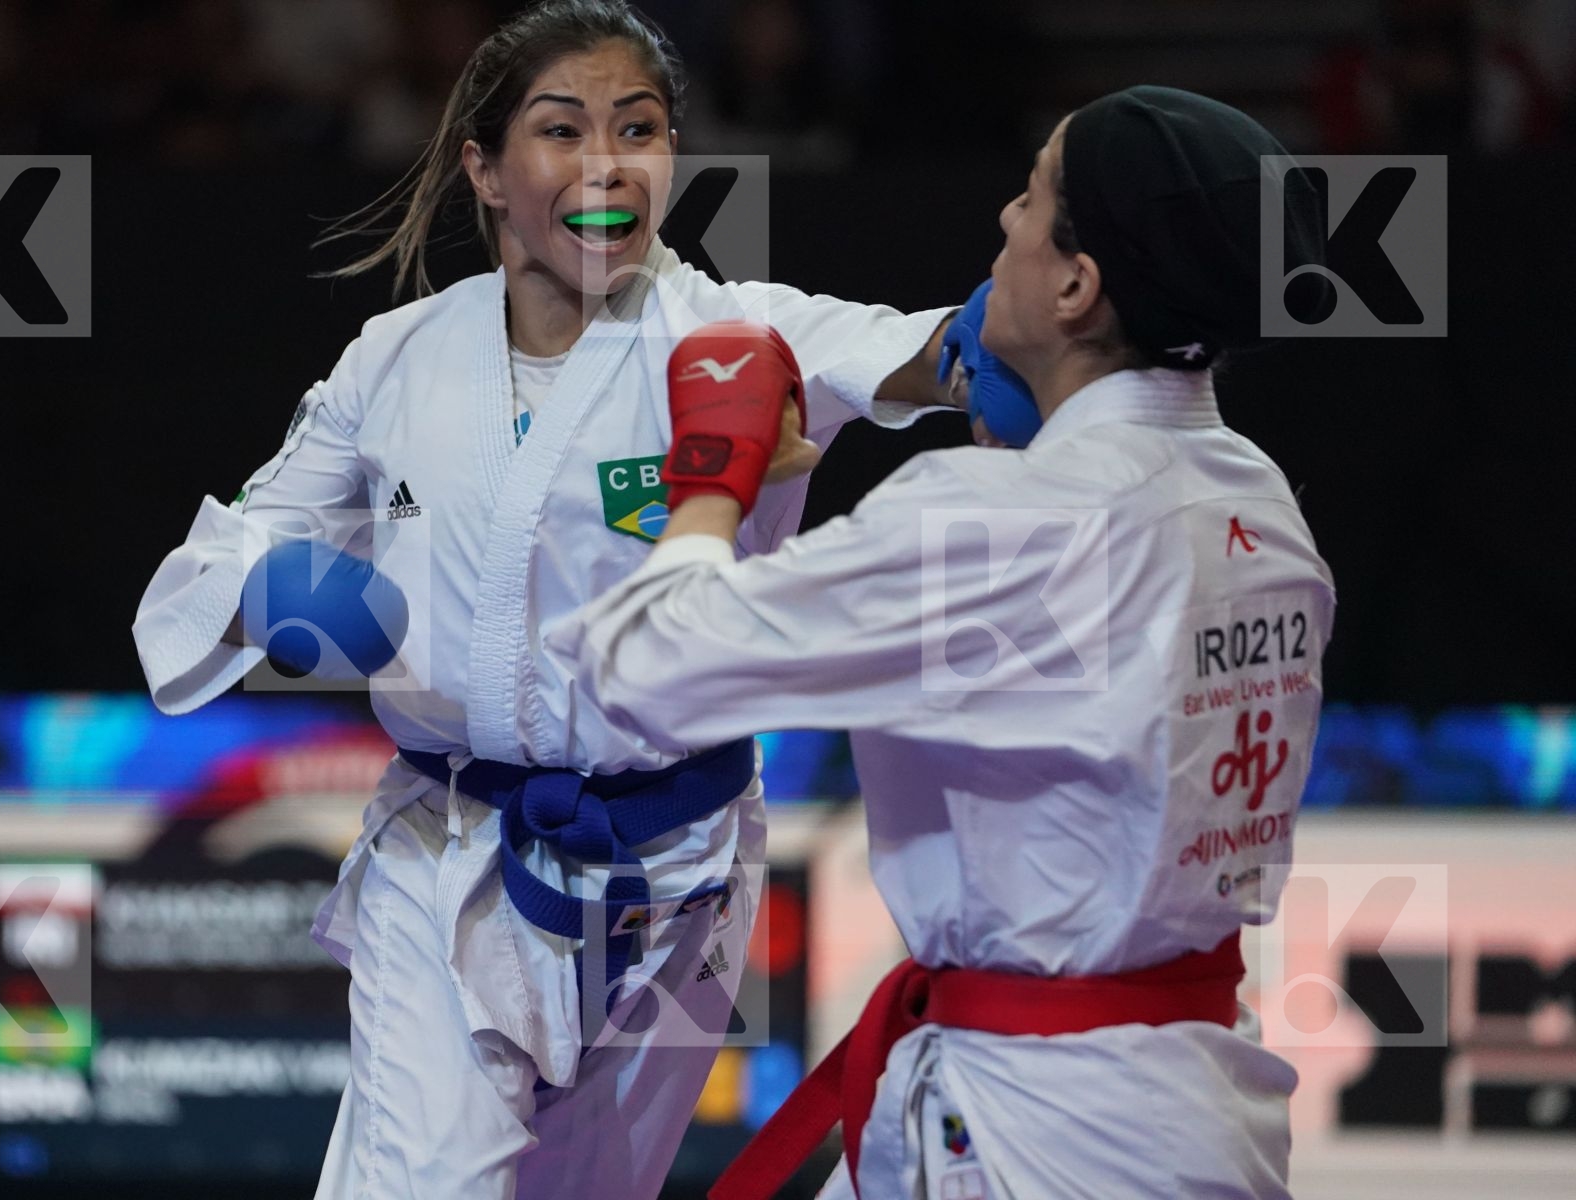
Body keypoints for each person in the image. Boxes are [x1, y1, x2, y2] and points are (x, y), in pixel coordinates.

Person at [130, 2, 1029, 1196]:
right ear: (486, 171)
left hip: (680, 872)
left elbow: (928, 353)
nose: (608, 165)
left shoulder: (740, 339)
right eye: (562, 131)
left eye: (640, 130)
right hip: (447, 859)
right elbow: (230, 552)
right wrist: (265, 593)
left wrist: (1010, 338)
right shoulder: (393, 359)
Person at [549, 85, 1338, 1198]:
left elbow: (637, 665)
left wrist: (711, 478)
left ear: (1077, 282)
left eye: (1032, 195)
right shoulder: (1259, 502)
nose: (1006, 221)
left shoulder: (1008, 522)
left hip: (1038, 1132)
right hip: (1173, 1098)